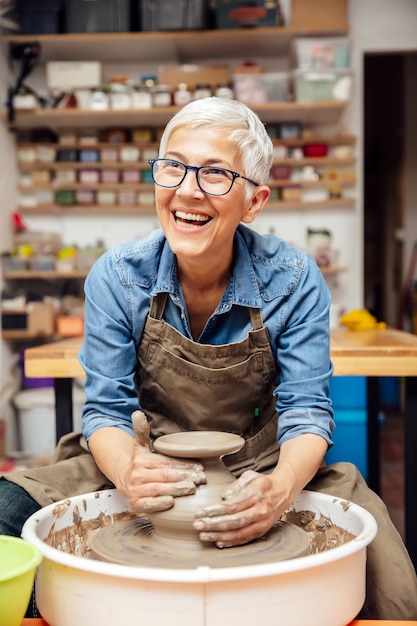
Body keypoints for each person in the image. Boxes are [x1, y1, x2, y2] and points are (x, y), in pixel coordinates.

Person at [1, 97, 416, 619]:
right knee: (8, 511)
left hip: (262, 466)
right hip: (144, 462)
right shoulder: (118, 276)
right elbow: (105, 412)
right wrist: (130, 470)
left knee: (385, 569)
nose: (187, 189)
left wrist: (280, 489)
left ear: (254, 201)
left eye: (216, 173)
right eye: (173, 166)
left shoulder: (293, 278)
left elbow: (308, 411)